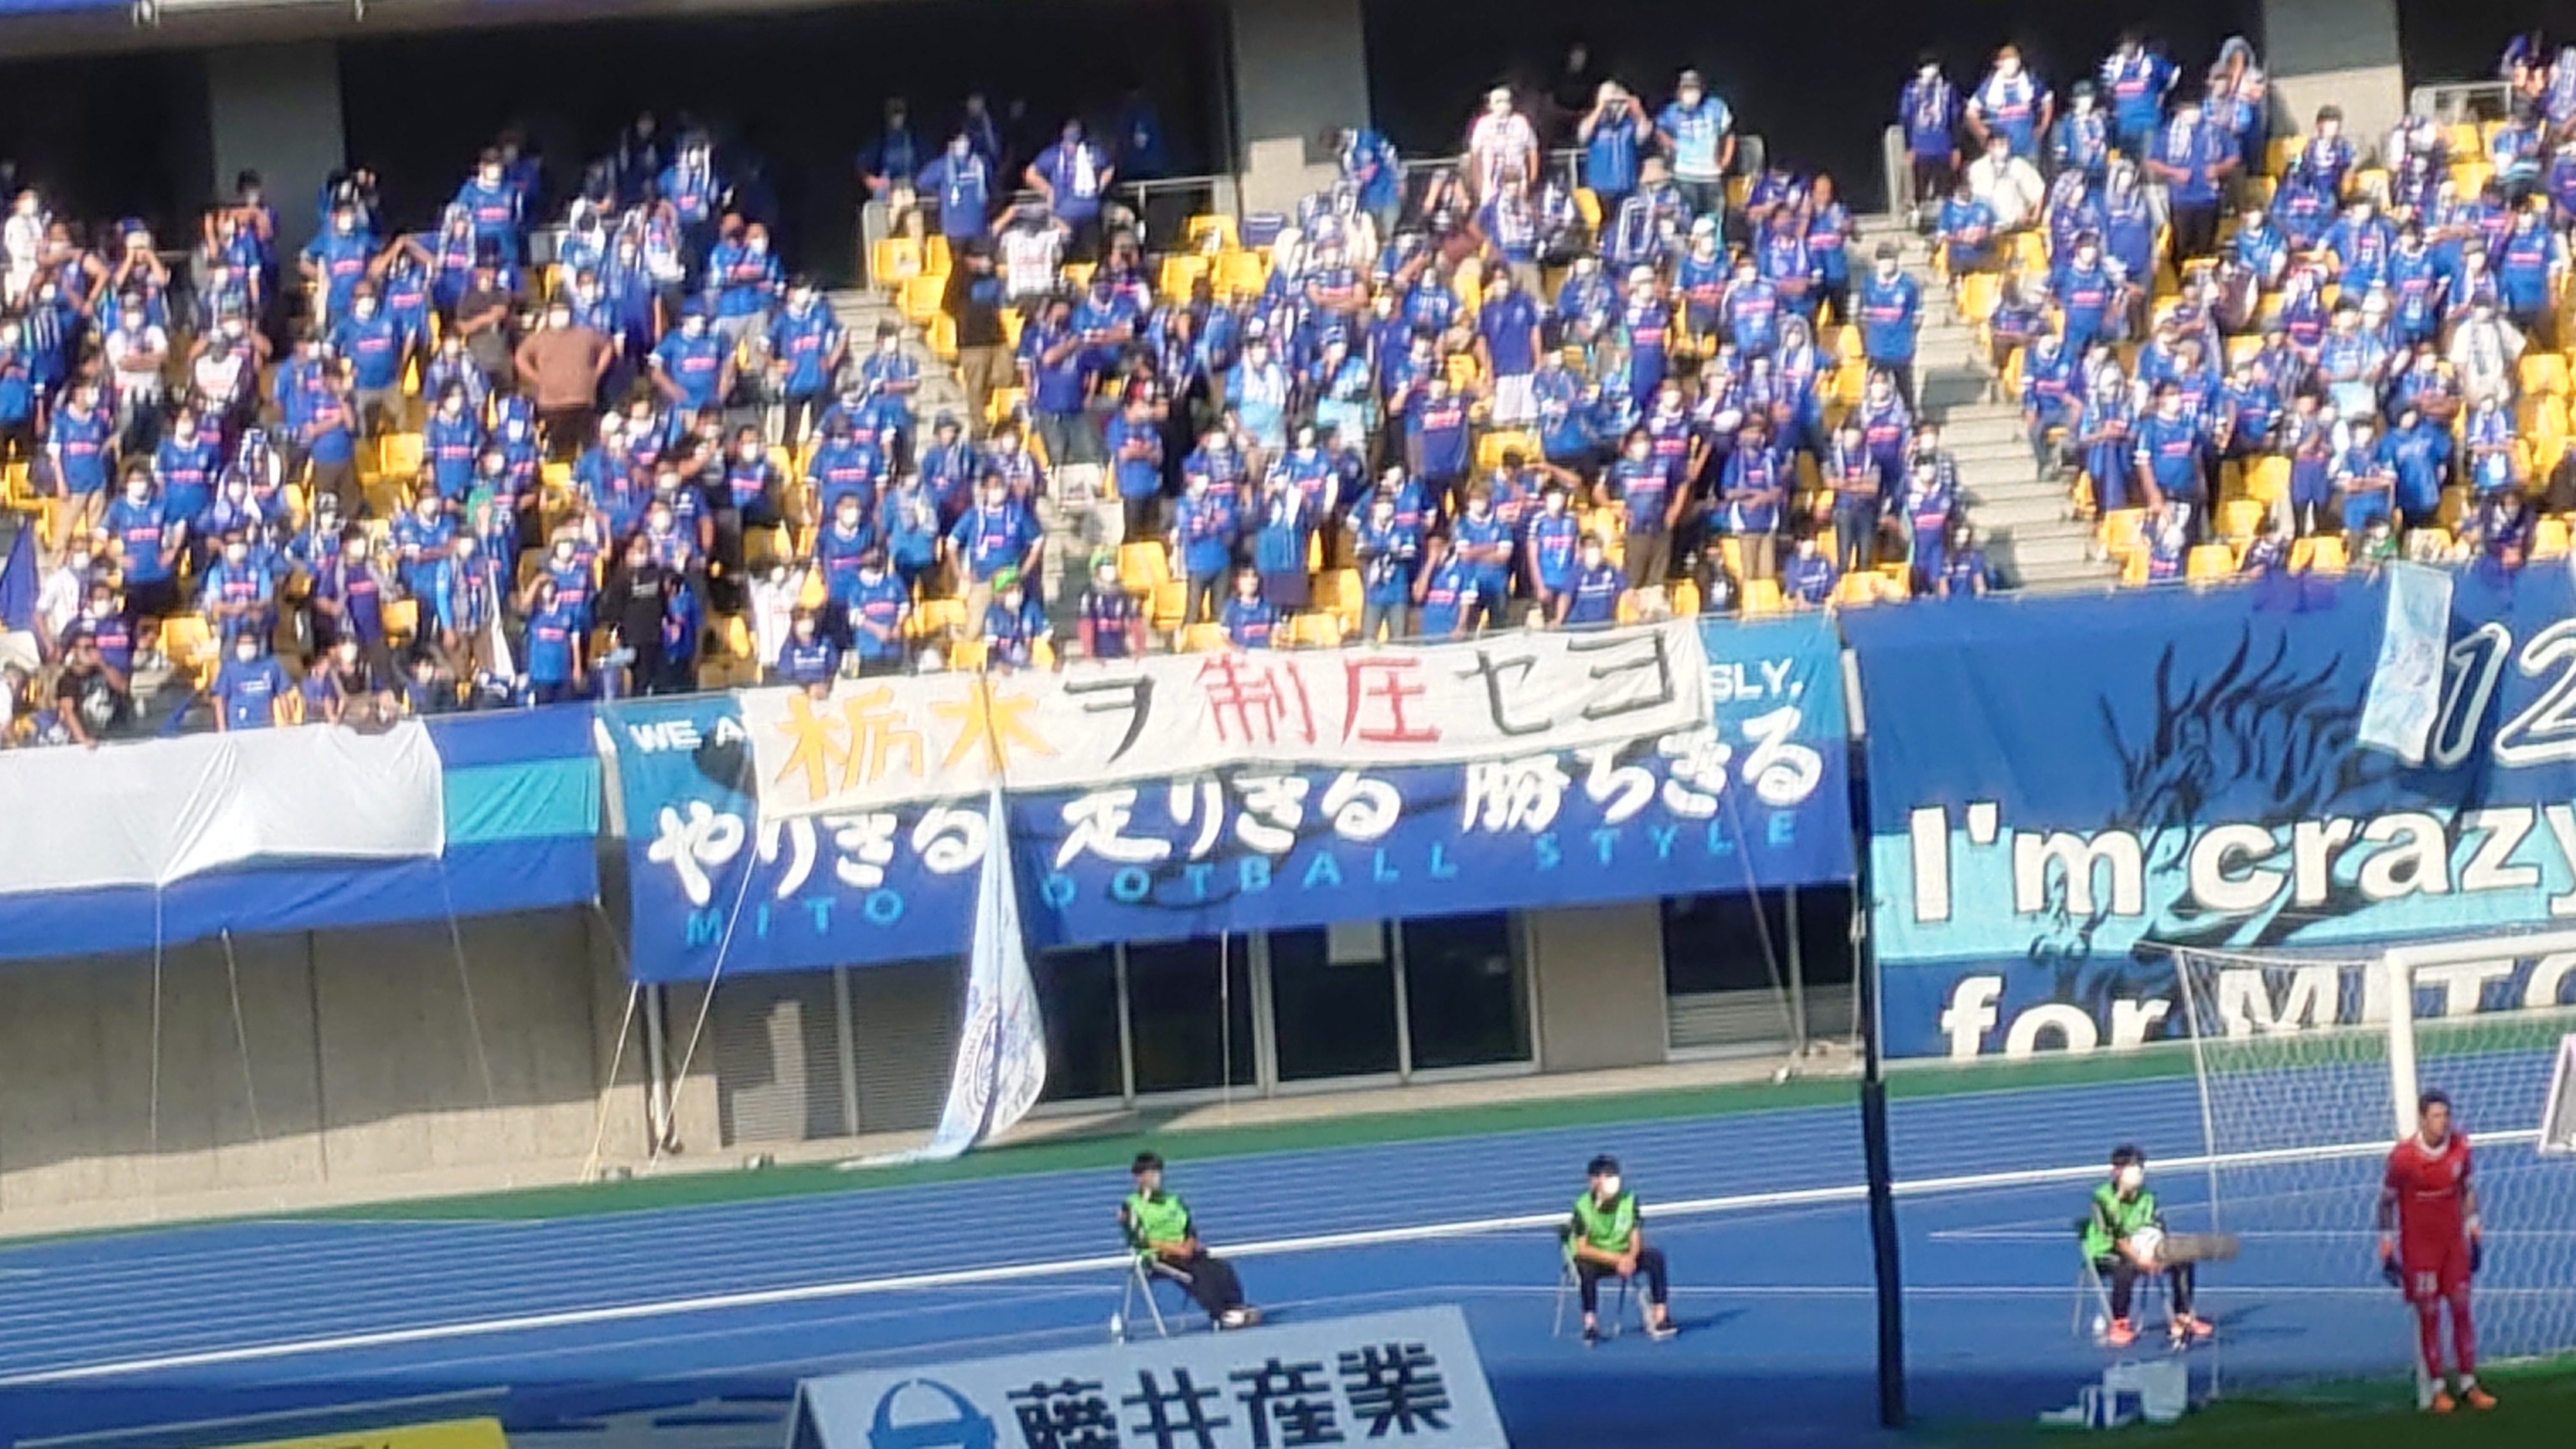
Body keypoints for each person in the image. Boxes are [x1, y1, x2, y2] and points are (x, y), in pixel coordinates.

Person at [2380, 1090, 2495, 1413]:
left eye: (2445, 1115)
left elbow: (2467, 1190)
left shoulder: (2460, 1147)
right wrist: (2387, 1247)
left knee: (2462, 1309)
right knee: (2430, 1315)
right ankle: (2438, 1388)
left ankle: (2469, 1383)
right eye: (2435, 1116)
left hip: (2453, 1246)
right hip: (2420, 1250)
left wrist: (2474, 1231)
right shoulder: (2404, 1158)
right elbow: (2386, 1202)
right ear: (2422, 1119)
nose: (2442, 1122)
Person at [2082, 1146, 2211, 1349]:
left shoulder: (2147, 1197)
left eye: (2140, 1167)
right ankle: (2119, 1322)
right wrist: (2141, 1261)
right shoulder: (2103, 1199)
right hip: (2106, 1252)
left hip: (2142, 1249)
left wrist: (2159, 1256)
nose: (2138, 1172)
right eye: (2132, 1167)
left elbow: (2157, 1228)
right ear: (2117, 1171)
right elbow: (2118, 1239)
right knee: (2126, 1267)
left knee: (2183, 1259)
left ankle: (2182, 1316)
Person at [1119, 1152, 1258, 1329]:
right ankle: (1220, 1314)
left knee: (1220, 1267)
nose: (1157, 1178)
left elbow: (1190, 1229)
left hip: (1186, 1252)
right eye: (1151, 1173)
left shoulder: (1174, 1201)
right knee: (1197, 1276)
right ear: (1139, 1177)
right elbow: (1139, 1241)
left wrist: (1189, 1245)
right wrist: (1174, 1249)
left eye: (1159, 1172)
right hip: (1158, 1258)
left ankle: (1236, 1307)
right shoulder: (1132, 1205)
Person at [1567, 1154, 1678, 1343]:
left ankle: (1661, 1316)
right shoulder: (1582, 1206)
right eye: (1605, 1176)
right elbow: (1583, 1248)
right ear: (1594, 1181)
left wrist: (1631, 1257)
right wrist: (1617, 1260)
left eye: (1613, 1175)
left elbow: (1636, 1236)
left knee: (1655, 1258)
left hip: (1625, 1256)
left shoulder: (1629, 1200)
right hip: (1598, 1258)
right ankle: (1590, 1323)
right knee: (1585, 1269)